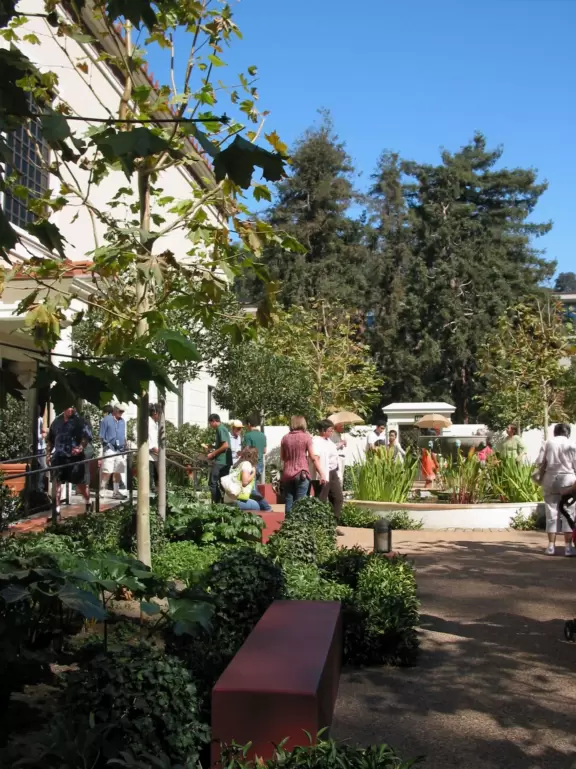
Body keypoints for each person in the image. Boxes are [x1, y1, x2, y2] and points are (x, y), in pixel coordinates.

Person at [535, 423, 576, 556]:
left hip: (550, 479)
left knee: (551, 513)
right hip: (568, 480)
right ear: (567, 433)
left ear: (555, 432)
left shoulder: (547, 443)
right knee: (568, 513)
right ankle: (568, 547)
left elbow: (540, 461)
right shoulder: (572, 445)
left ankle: (551, 546)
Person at [47, 406, 93, 513]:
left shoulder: (80, 422)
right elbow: (50, 439)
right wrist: (48, 454)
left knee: (80, 485)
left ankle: (88, 501)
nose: (71, 410)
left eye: (73, 408)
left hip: (75, 457)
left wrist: (80, 447)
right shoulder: (57, 421)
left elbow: (86, 437)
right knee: (56, 482)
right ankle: (56, 509)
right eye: (68, 407)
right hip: (59, 456)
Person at [280, 415, 325, 513]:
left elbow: (282, 457)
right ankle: (298, 526)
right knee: (300, 503)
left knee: (288, 501)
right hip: (301, 473)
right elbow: (313, 457)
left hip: (287, 473)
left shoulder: (285, 438)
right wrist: (321, 473)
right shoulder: (306, 437)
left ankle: (288, 525)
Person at [311, 420, 344, 520]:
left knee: (338, 498)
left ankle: (333, 524)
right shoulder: (316, 441)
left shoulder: (329, 442)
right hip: (323, 473)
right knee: (321, 499)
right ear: (323, 430)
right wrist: (321, 474)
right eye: (330, 430)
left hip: (333, 472)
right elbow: (315, 458)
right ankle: (319, 525)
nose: (331, 432)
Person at [223, 447, 272, 512]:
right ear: (253, 456)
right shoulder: (246, 464)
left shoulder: (234, 466)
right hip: (236, 502)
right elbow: (245, 482)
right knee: (259, 507)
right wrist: (253, 473)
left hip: (228, 500)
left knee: (255, 501)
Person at [99, 403, 127, 500]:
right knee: (107, 470)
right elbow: (101, 436)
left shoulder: (122, 421)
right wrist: (105, 445)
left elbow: (123, 434)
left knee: (118, 470)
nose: (121, 413)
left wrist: (124, 445)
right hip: (110, 448)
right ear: (115, 410)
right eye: (120, 411)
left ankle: (116, 492)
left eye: (123, 412)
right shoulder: (106, 420)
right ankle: (102, 489)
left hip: (120, 449)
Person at [207, 413, 232, 504]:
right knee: (223, 483)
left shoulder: (220, 429)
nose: (210, 426)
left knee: (212, 482)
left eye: (210, 423)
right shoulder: (223, 428)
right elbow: (223, 445)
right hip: (226, 460)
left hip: (221, 460)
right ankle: (224, 502)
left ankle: (217, 502)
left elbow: (225, 446)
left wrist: (213, 454)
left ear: (214, 421)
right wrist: (212, 446)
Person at [244, 413, 267, 482]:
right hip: (260, 464)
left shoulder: (248, 435)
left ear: (248, 424)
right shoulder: (263, 435)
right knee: (255, 483)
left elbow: (247, 450)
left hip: (252, 464)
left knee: (251, 487)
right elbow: (264, 451)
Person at [149, 403, 160, 492]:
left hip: (155, 453)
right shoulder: (149, 423)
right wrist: (154, 449)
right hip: (150, 453)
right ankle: (151, 491)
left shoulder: (154, 423)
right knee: (150, 474)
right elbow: (150, 439)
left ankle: (155, 490)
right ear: (155, 413)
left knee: (155, 474)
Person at [36, 408, 47, 493]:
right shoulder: (37, 421)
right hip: (38, 448)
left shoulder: (40, 419)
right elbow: (36, 434)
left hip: (42, 447)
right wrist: (42, 435)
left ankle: (39, 487)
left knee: (41, 467)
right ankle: (39, 488)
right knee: (43, 467)